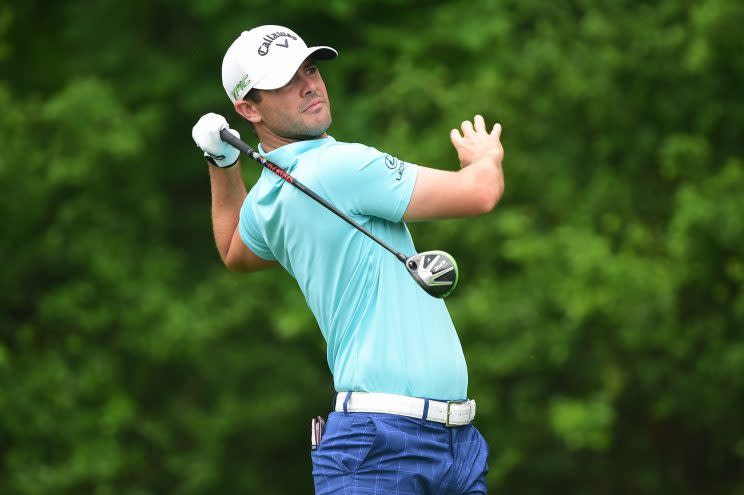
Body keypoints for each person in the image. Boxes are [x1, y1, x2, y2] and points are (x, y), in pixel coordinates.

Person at [192, 24, 504, 495]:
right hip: (384, 446)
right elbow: (479, 194)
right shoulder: (341, 166)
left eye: (310, 69)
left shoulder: (268, 198)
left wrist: (221, 164)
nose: (310, 84)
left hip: (453, 445)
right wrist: (486, 158)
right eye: (285, 81)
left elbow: (235, 250)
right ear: (248, 109)